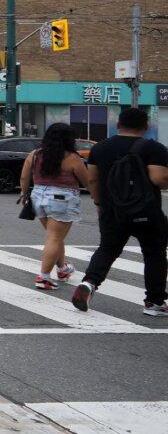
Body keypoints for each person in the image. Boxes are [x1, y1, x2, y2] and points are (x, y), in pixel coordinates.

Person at [72, 108, 168, 315]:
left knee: (107, 249)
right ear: (146, 126)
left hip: (111, 210)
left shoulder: (100, 148)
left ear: (118, 124)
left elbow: (93, 179)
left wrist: (99, 204)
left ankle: (89, 283)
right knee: (154, 254)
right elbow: (159, 179)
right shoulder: (155, 148)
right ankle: (154, 302)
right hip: (146, 211)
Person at [19, 123, 89, 289]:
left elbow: (24, 177)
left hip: (38, 196)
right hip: (61, 198)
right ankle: (43, 277)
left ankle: (62, 268)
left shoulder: (35, 154)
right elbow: (87, 181)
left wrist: (23, 194)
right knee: (54, 237)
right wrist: (98, 197)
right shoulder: (72, 157)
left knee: (55, 236)